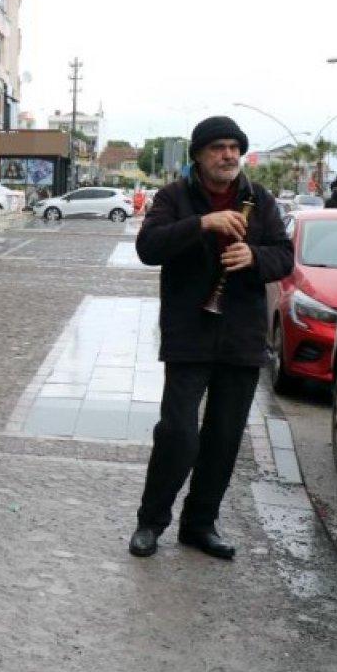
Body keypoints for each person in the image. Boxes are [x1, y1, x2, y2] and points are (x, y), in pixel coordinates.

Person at [129, 116, 293, 561]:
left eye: (234, 147)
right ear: (199, 155)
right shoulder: (174, 197)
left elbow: (283, 257)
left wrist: (254, 256)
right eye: (219, 147)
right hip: (189, 334)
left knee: (223, 438)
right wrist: (202, 223)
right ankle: (151, 521)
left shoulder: (260, 200)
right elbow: (149, 248)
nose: (229, 155)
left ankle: (200, 524)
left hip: (241, 337)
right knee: (178, 434)